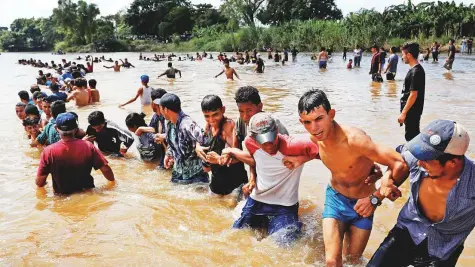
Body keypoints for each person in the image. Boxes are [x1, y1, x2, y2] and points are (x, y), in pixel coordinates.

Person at [296, 89, 407, 266]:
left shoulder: (355, 139)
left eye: (319, 119)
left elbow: (399, 163)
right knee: (332, 262)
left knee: (353, 261)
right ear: (301, 122)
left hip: (363, 205)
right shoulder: (315, 137)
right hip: (335, 199)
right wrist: (300, 159)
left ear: (331, 114)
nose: (314, 128)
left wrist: (376, 198)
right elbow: (335, 158)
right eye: (307, 122)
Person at [369, 119, 474, 267]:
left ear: (453, 163)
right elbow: (399, 156)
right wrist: (386, 180)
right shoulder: (418, 159)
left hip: (444, 249)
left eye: (426, 159)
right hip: (409, 229)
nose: (419, 163)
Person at [226, 113, 319, 246]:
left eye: (271, 138)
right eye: (263, 140)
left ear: (277, 131)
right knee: (234, 238)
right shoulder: (250, 142)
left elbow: (327, 150)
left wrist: (301, 159)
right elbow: (254, 160)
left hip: (284, 207)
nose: (268, 145)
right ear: (253, 138)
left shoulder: (293, 145)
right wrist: (230, 152)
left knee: (281, 245)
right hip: (257, 202)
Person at [36, 112, 115, 194]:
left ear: (56, 128)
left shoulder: (48, 151)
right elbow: (105, 169)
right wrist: (113, 183)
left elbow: (40, 182)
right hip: (87, 194)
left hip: (62, 198)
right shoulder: (88, 146)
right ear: (76, 129)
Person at [199, 95, 248, 196]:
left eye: (215, 114)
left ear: (223, 110)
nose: (211, 119)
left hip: (234, 185)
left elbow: (239, 157)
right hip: (216, 183)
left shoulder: (229, 125)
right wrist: (198, 148)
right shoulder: (209, 125)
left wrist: (218, 160)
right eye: (207, 116)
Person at [158, 93, 209, 184]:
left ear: (165, 109)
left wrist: (198, 144)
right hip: (178, 174)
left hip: (195, 177)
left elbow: (205, 139)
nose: (160, 110)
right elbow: (172, 141)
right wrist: (169, 154)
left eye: (160, 108)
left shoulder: (187, 123)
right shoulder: (168, 123)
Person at [399, 42, 425, 142]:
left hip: (412, 110)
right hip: (410, 109)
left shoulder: (416, 72)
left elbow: (413, 95)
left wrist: (403, 113)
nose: (402, 57)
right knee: (412, 136)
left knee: (411, 137)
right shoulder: (414, 70)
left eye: (403, 54)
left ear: (409, 55)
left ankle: (417, 157)